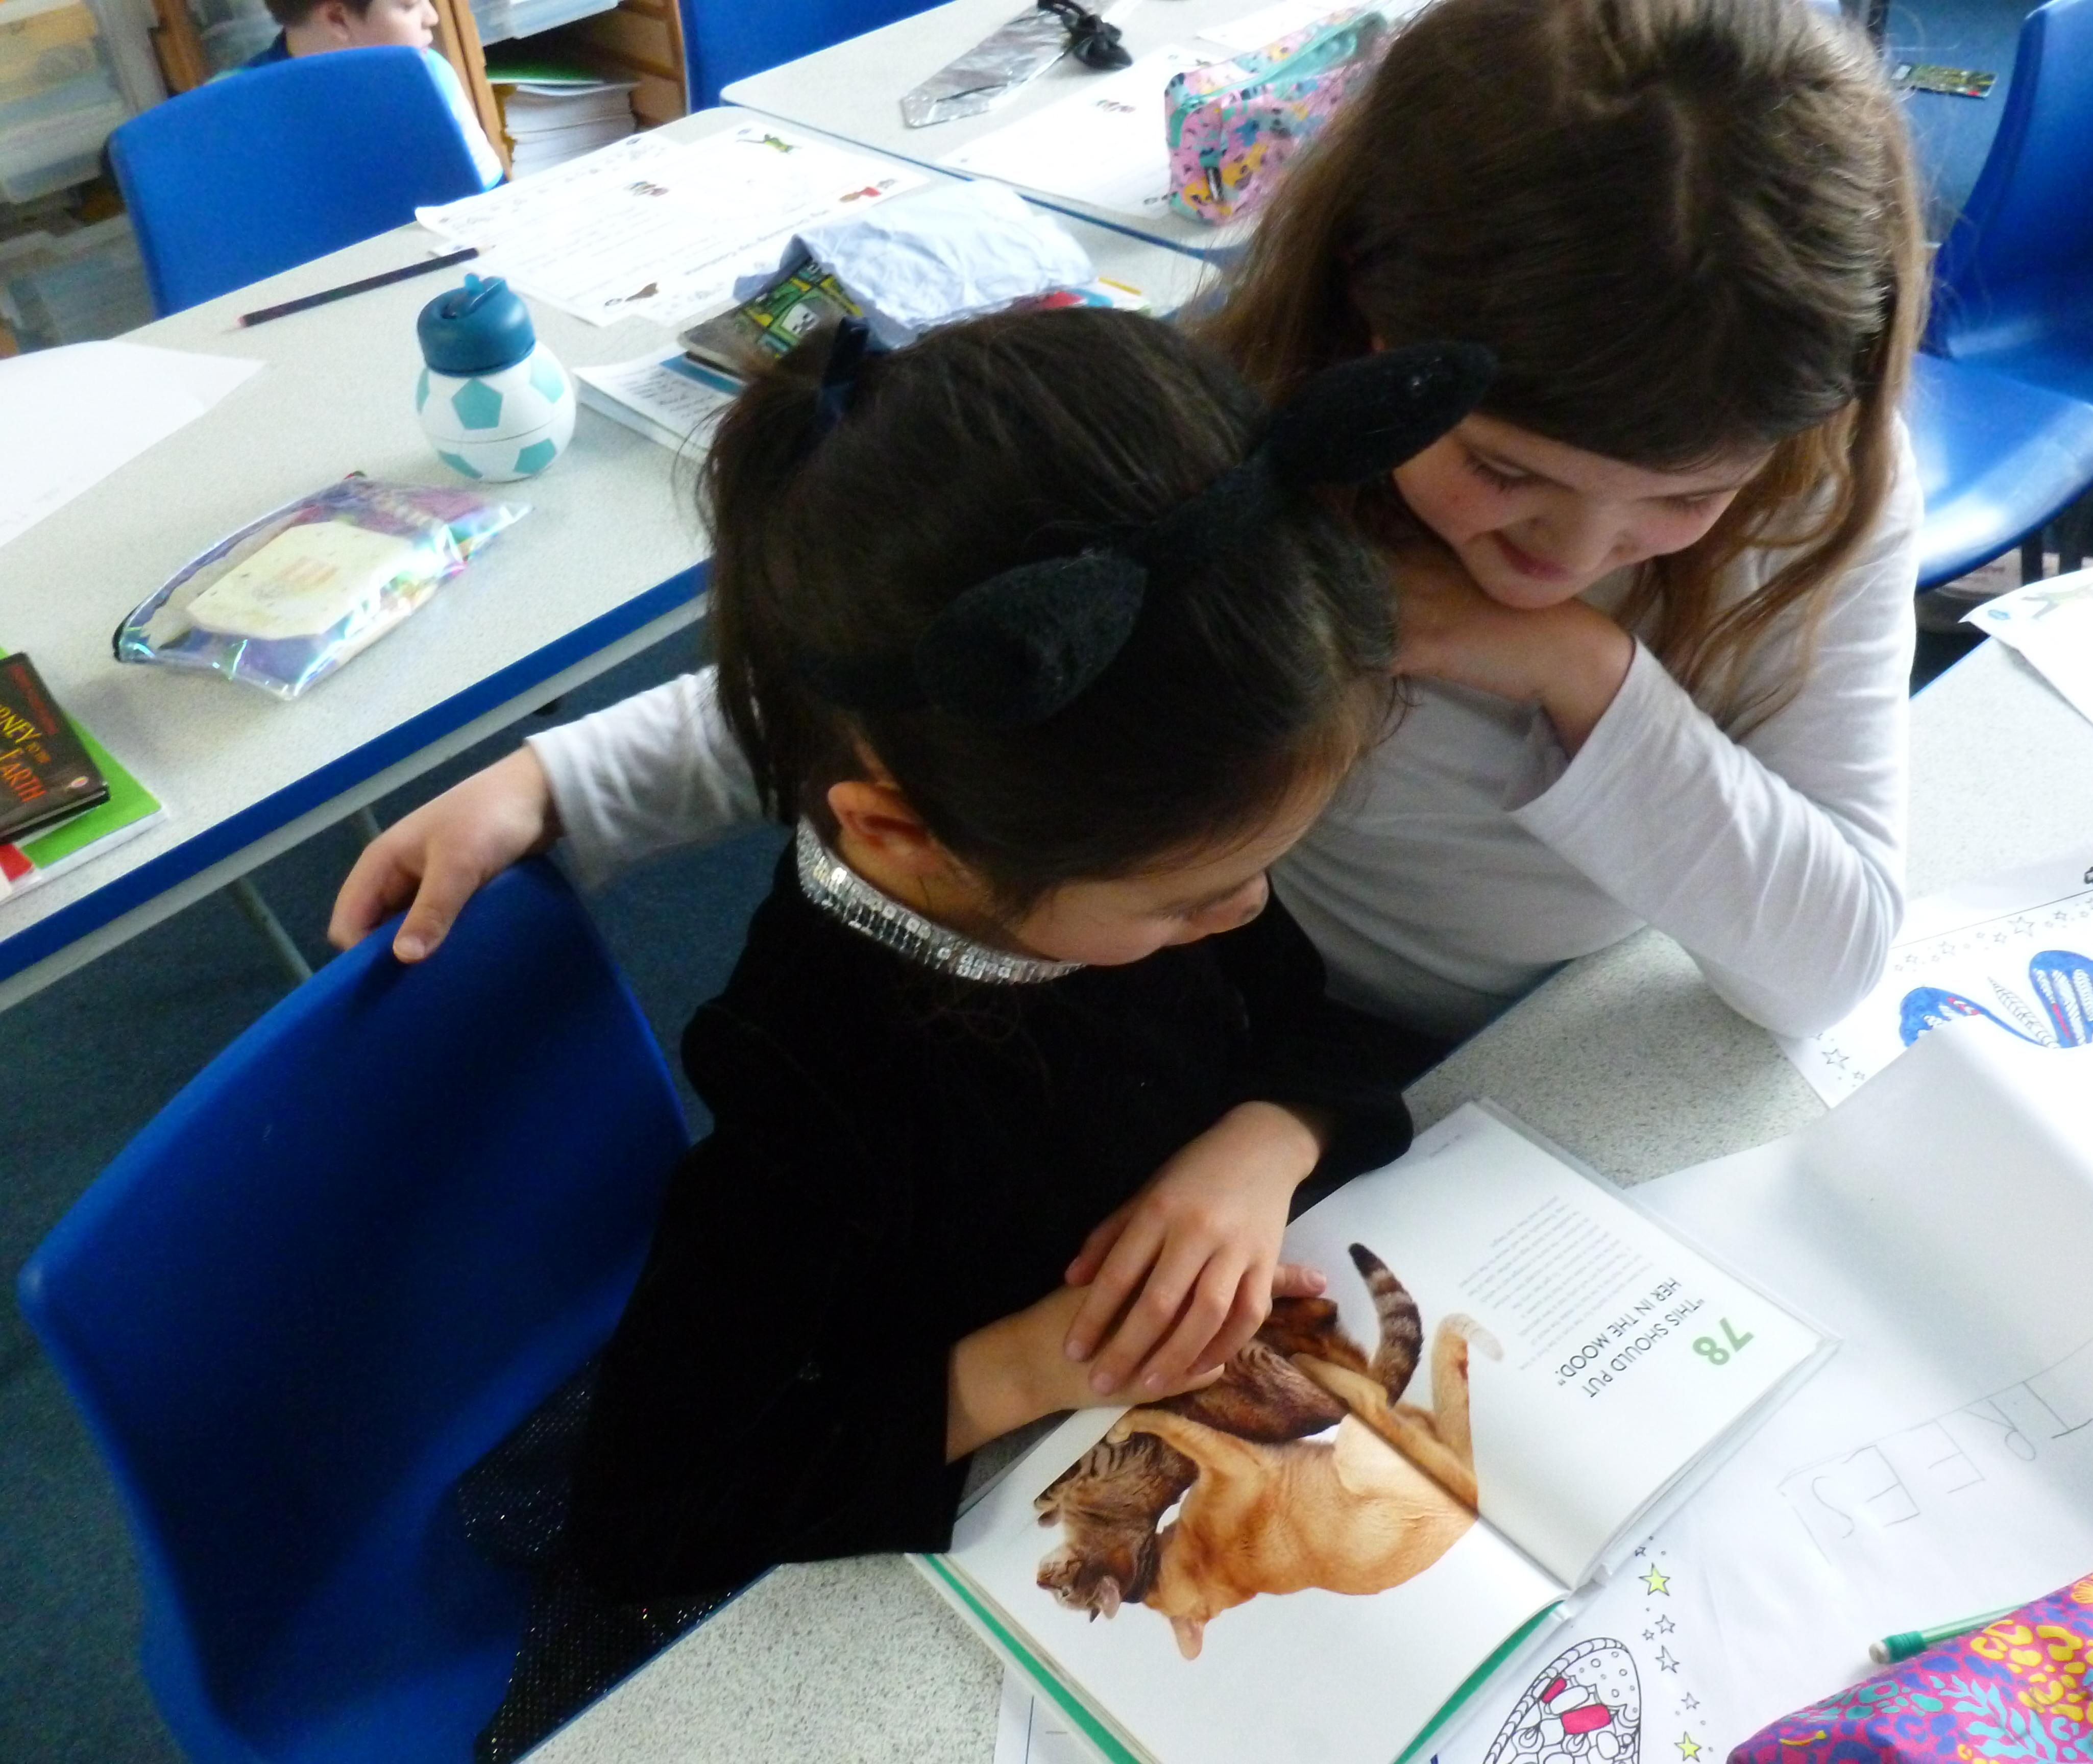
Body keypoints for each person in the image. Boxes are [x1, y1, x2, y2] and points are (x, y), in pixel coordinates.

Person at [331, 0, 1919, 1047]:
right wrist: (563, 779)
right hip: (1238, 1025)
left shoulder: (1814, 489)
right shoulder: (1236, 406)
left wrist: (1573, 668)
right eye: (1505, 472)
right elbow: (947, 662)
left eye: (1684, 499)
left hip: (1563, 1034)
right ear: (1367, 324)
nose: (1570, 556)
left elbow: (1830, 967)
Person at [558, 309, 1494, 1589]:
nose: (1247, 910)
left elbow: (1307, 1016)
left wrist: (1267, 1139)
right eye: (1190, 901)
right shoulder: (814, 1081)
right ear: (901, 834)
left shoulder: (1139, 847)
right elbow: (652, 1508)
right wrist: (1033, 1362)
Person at [237, 0, 503, 190]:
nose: (432, 17)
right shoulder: (230, 113)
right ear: (338, 19)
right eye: (409, 5)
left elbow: (492, 196)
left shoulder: (431, 74)